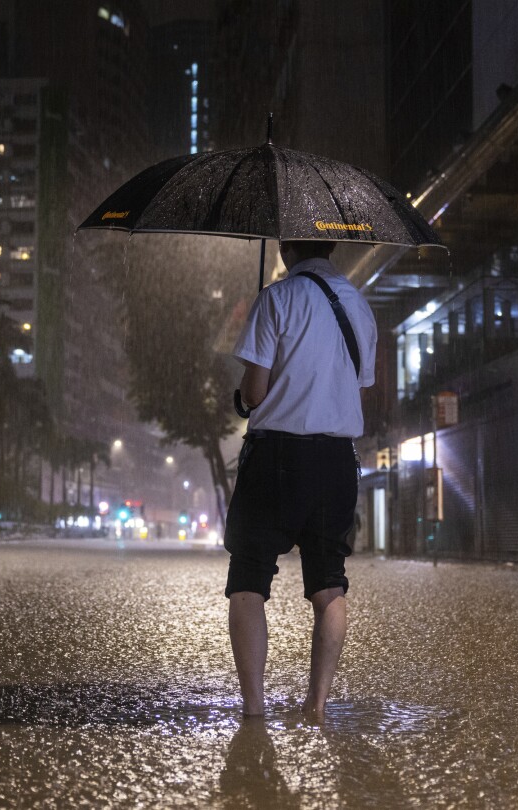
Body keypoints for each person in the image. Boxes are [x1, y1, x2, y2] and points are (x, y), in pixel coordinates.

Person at [225, 239, 377, 719]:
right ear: (331, 244)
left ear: (286, 246)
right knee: (329, 585)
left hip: (274, 458)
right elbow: (357, 384)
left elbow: (254, 392)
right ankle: (316, 704)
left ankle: (254, 709)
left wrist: (245, 396)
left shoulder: (275, 299)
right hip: (335, 461)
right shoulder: (358, 304)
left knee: (248, 580)